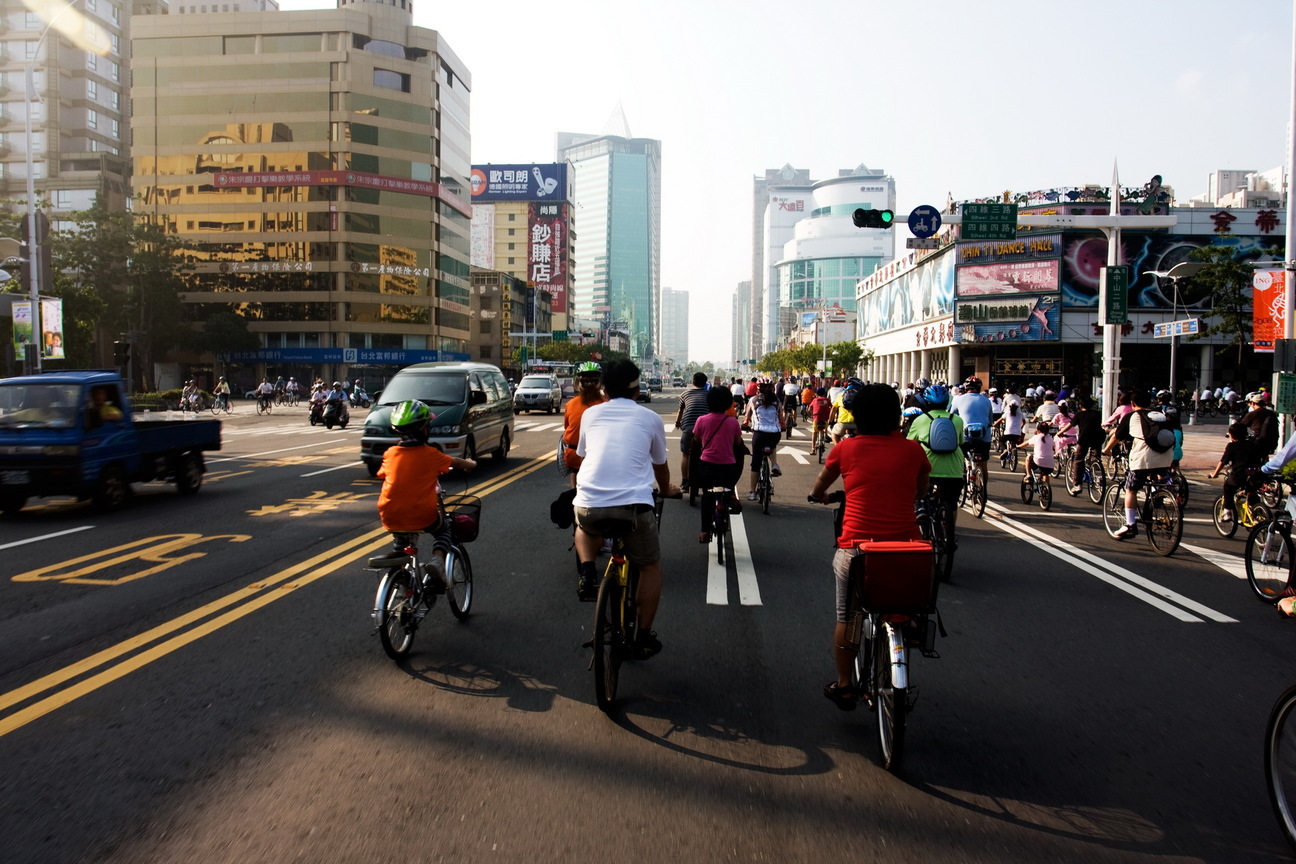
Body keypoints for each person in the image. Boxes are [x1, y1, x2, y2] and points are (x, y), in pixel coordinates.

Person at [809, 383, 931, 711]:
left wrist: (820, 496)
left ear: (857, 415)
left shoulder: (846, 449)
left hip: (858, 550)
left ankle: (845, 685)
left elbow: (821, 484)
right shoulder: (913, 450)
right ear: (896, 415)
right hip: (906, 549)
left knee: (846, 617)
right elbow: (921, 491)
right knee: (910, 591)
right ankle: (911, 622)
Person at [572, 360, 681, 659]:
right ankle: (643, 637)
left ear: (604, 389)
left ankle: (586, 573)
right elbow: (660, 466)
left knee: (585, 527)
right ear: (636, 388)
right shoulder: (650, 418)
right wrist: (668, 488)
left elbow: (583, 455)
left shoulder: (590, 414)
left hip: (589, 501)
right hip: (634, 506)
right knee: (649, 565)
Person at [376, 400, 477, 589]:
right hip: (422, 514)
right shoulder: (430, 454)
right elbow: (455, 462)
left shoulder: (390, 453)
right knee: (444, 528)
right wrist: (470, 464)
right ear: (424, 429)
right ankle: (437, 561)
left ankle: (401, 578)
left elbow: (382, 474)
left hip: (390, 514)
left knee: (402, 539)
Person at [1107, 389, 1174, 539]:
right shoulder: (1160, 416)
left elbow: (1117, 437)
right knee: (1157, 478)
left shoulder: (1132, 416)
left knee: (1131, 489)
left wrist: (1106, 450)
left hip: (1143, 460)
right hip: (1166, 457)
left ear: (1132, 404)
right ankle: (1159, 495)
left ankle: (1130, 524)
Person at [906, 383, 964, 539]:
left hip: (928, 468)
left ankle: (921, 508)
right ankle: (949, 533)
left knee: (919, 491)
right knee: (951, 503)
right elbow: (961, 441)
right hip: (954, 469)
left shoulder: (920, 420)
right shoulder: (957, 420)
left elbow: (910, 444)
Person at [691, 386, 747, 541]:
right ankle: (729, 496)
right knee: (727, 486)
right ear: (729, 403)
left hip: (706, 466)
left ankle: (704, 532)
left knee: (707, 496)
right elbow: (737, 443)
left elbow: (696, 440)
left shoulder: (701, 420)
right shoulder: (733, 423)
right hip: (728, 468)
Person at [561, 361, 607, 488]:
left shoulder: (570, 404)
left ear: (579, 384)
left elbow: (567, 428)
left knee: (574, 469)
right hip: (598, 457)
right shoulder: (606, 404)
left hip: (572, 456)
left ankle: (573, 490)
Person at [1210, 422, 1261, 522]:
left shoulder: (1231, 446)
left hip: (1239, 475)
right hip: (1255, 474)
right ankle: (1257, 511)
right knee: (1252, 491)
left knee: (1228, 487)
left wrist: (1215, 474)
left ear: (1232, 435)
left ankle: (1227, 511)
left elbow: (1223, 462)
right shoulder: (1252, 444)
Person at [744, 379, 785, 497]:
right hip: (774, 434)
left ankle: (752, 492)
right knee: (772, 446)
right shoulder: (777, 401)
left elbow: (747, 418)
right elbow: (781, 419)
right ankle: (774, 465)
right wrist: (782, 427)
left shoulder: (753, 400)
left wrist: (745, 425)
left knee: (755, 464)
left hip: (759, 434)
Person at [950, 376, 993, 489]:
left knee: (962, 456)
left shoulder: (958, 399)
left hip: (966, 436)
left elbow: (951, 416)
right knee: (983, 465)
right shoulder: (986, 400)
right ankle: (982, 489)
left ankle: (967, 468)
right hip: (984, 437)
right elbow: (990, 421)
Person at [674, 372, 711, 490]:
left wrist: (677, 423)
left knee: (685, 454)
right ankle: (706, 481)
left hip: (689, 426)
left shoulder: (685, 394)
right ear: (705, 383)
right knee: (707, 453)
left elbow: (680, 411)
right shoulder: (710, 394)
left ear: (693, 382)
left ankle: (685, 482)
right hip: (706, 428)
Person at [1017, 421, 1057, 489]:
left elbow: (1026, 443)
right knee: (1045, 473)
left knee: (1028, 457)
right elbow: (1054, 446)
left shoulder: (1036, 437)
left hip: (1038, 461)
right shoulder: (1051, 438)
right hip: (1051, 463)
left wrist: (1018, 446)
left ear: (1038, 430)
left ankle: (1029, 475)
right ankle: (1045, 489)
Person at [1242, 392, 1280, 460]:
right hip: (1271, 443)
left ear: (1253, 403)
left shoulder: (1252, 414)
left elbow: (1240, 426)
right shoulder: (1271, 413)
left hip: (1256, 442)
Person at [809, 387, 832, 452]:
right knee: (826, 425)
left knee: (814, 432)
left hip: (816, 417)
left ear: (816, 393)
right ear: (824, 393)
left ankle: (813, 448)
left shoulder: (815, 400)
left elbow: (809, 408)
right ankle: (826, 434)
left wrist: (811, 413)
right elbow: (831, 407)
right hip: (825, 417)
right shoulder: (827, 400)